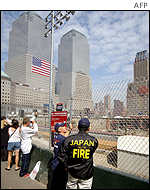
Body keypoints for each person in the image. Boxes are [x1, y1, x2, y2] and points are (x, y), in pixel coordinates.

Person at [58, 118, 98, 189]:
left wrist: (66, 166)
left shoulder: (69, 140)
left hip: (72, 171)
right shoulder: (94, 140)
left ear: (78, 127)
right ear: (89, 128)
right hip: (86, 173)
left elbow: (61, 155)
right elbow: (92, 151)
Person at [47, 122, 71, 190]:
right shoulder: (62, 139)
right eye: (63, 126)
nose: (65, 127)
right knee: (61, 183)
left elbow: (64, 136)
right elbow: (66, 138)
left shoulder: (57, 136)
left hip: (55, 162)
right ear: (59, 129)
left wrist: (69, 130)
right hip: (60, 164)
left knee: (55, 182)